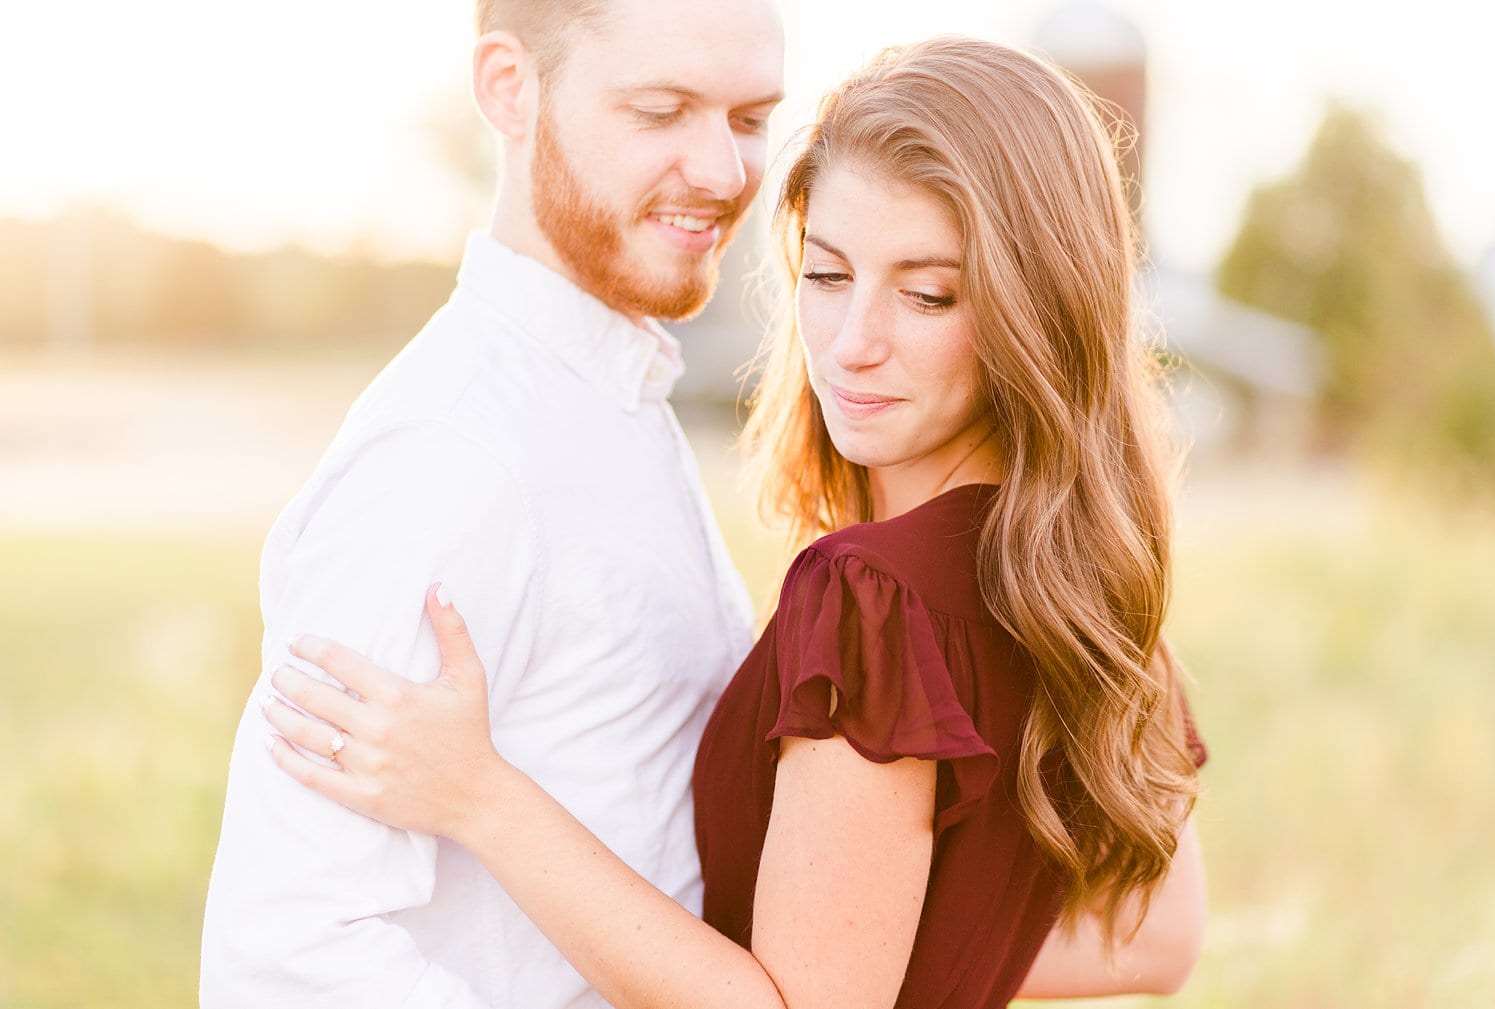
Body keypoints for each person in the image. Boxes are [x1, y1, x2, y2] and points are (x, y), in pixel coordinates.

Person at [261, 36, 1210, 1009]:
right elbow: (1156, 935)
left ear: (1037, 307)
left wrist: (481, 798)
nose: (852, 343)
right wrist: (866, 958)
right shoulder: (1081, 576)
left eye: (927, 294)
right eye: (829, 275)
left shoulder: (870, 599)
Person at [200, 1, 785, 1006]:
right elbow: (286, 955)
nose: (725, 173)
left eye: (747, 118)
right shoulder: (448, 452)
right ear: (510, 89)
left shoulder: (614, 390)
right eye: (661, 111)